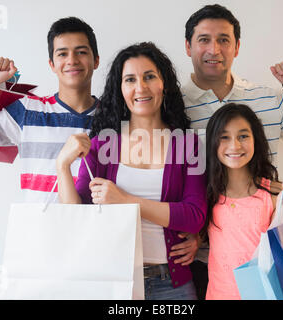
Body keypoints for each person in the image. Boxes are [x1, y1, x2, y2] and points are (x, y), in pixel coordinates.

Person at [179, 4, 283, 299]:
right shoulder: (173, 107)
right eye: (203, 39)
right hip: (202, 260)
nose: (213, 49)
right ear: (188, 46)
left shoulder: (267, 98)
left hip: (268, 257)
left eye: (224, 40)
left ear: (237, 47)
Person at [55, 42, 207, 300]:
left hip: (172, 285)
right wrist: (62, 166)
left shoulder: (188, 144)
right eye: (130, 79)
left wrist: (126, 201)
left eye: (149, 76)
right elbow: (76, 217)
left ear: (164, 84)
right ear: (120, 89)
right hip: (113, 281)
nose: (141, 87)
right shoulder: (102, 146)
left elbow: (194, 215)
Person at [0, 17, 100, 202]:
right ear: (52, 64)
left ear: (95, 60)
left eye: (81, 52)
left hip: (92, 229)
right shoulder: (28, 111)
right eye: (62, 54)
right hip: (35, 229)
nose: (72, 60)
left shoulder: (115, 117)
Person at [203, 103, 283, 299]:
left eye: (243, 136)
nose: (235, 145)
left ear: (256, 139)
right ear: (213, 142)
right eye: (224, 137)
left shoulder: (271, 195)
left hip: (265, 294)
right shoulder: (207, 193)